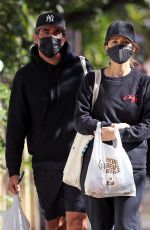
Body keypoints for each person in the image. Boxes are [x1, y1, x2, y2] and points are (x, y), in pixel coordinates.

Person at [5, 12, 93, 230]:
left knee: (77, 222)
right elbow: (16, 126)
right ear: (36, 37)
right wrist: (13, 170)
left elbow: (95, 111)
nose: (51, 37)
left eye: (57, 32)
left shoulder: (81, 70)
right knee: (54, 224)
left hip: (78, 160)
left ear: (64, 38)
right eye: (46, 31)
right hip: (44, 165)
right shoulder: (24, 77)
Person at [74, 20, 150, 230]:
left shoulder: (144, 83)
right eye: (113, 41)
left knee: (126, 225)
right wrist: (102, 130)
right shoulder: (91, 81)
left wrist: (118, 133)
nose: (118, 45)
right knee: (100, 226)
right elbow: (80, 120)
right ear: (106, 47)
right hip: (97, 165)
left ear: (133, 48)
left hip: (131, 166)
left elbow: (148, 124)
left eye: (124, 42)